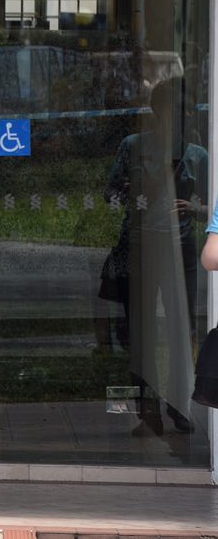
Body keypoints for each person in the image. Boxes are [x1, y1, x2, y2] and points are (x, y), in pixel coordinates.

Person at [103, 76, 205, 435]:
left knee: (183, 329)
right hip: (141, 245)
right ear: (156, 110)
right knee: (140, 329)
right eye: (171, 108)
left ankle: (180, 405)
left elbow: (214, 207)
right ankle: (148, 410)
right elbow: (109, 194)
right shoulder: (133, 146)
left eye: (184, 110)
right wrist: (129, 191)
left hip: (181, 249)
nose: (179, 116)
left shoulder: (196, 154)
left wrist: (196, 208)